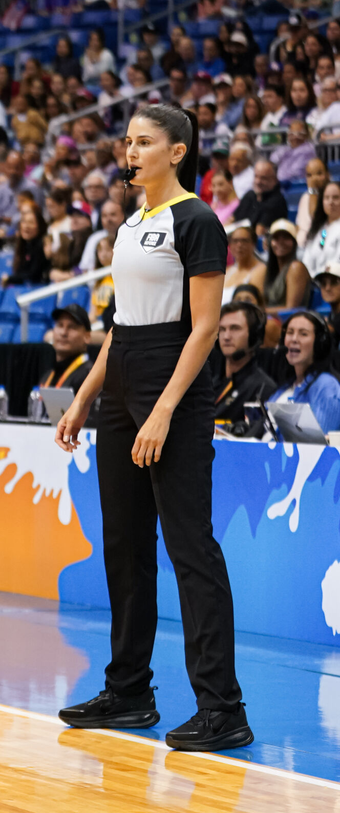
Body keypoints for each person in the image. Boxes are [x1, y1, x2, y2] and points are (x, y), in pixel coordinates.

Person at [55, 105, 251, 752]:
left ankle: (223, 708)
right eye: (128, 141)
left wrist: (164, 408)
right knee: (126, 546)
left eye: (144, 142)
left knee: (190, 548)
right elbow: (121, 325)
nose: (130, 151)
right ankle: (129, 691)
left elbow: (203, 328)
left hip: (177, 389)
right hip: (123, 384)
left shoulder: (196, 221)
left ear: (177, 150)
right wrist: (84, 395)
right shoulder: (133, 225)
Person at [210, 301, 276, 434]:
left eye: (235, 328)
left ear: (253, 335)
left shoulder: (263, 387)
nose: (226, 336)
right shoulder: (211, 383)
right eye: (222, 329)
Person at [269, 311, 340, 432]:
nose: (294, 339)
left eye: (303, 334)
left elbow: (319, 446)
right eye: (290, 333)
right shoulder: (286, 385)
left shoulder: (326, 385)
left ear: (319, 343)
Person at [41, 304, 94, 391]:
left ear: (87, 336)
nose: (63, 333)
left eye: (72, 327)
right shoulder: (48, 375)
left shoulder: (89, 376)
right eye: (60, 325)